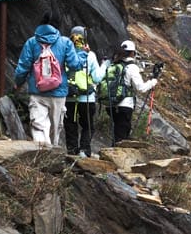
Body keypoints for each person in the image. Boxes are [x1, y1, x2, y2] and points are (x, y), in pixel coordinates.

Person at [14, 12, 85, 146]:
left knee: (39, 126)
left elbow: (23, 67)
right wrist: (82, 52)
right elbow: (75, 65)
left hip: (37, 91)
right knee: (54, 128)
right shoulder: (65, 42)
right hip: (58, 93)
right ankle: (52, 157)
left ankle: (41, 156)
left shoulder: (31, 42)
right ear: (58, 25)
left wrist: (18, 83)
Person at [105, 39, 157, 146]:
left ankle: (111, 154)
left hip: (111, 104)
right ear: (132, 53)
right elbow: (140, 88)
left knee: (117, 132)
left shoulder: (113, 65)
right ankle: (114, 157)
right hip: (125, 105)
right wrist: (153, 82)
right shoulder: (132, 67)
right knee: (122, 135)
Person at [64, 26, 103, 157]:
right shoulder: (90, 55)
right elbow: (97, 77)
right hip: (86, 97)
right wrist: (104, 66)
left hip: (69, 96)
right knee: (88, 125)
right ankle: (84, 150)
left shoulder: (65, 53)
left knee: (70, 124)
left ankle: (72, 150)